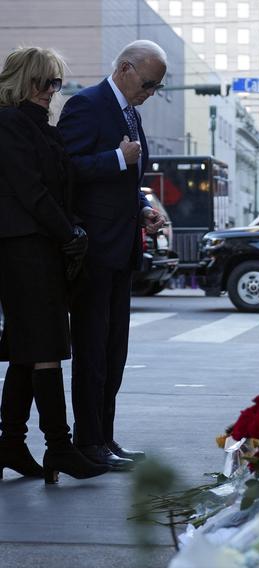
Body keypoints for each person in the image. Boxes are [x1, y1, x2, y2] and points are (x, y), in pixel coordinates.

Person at [0, 47, 110, 483]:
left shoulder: (40, 125)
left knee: (30, 350)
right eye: (42, 82)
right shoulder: (8, 122)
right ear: (21, 80)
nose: (50, 91)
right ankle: (59, 448)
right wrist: (70, 233)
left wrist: (71, 230)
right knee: (45, 347)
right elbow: (30, 190)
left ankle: (9, 444)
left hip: (43, 245)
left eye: (56, 83)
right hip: (21, 246)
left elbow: (60, 185)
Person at [58, 40, 166, 471]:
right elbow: (67, 167)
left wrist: (143, 209)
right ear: (125, 69)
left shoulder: (132, 115)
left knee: (114, 350)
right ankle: (87, 441)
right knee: (92, 350)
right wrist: (117, 159)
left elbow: (124, 182)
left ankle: (105, 436)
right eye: (148, 83)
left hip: (123, 249)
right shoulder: (87, 105)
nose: (151, 92)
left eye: (157, 87)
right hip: (94, 251)